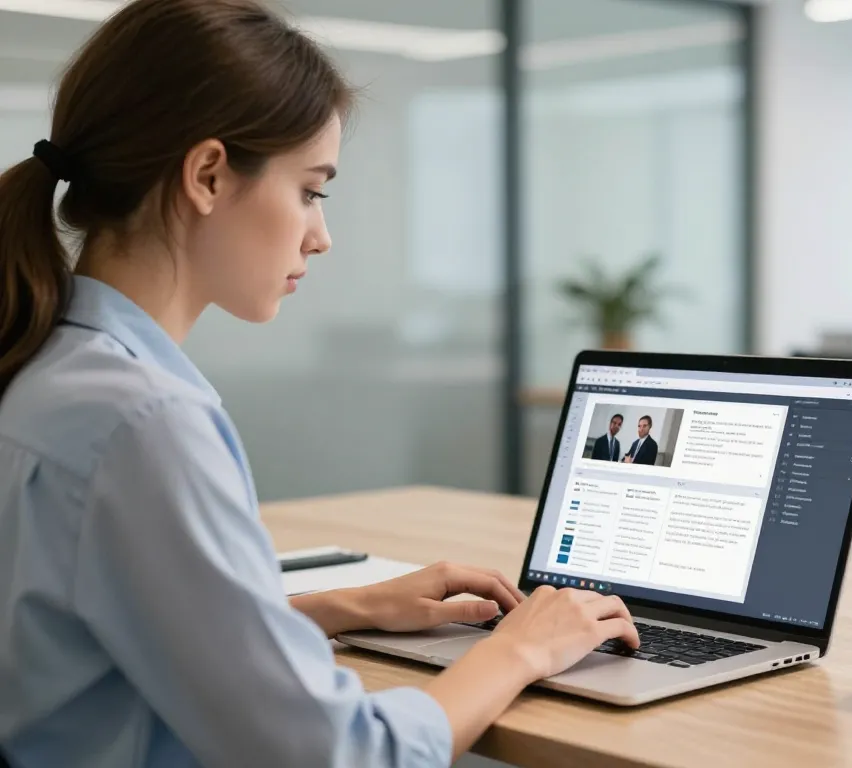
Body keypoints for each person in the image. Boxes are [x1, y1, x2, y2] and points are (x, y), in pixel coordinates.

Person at [0, 2, 640, 766]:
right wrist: (523, 650)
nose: (320, 235)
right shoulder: (142, 421)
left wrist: (348, 606)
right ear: (206, 175)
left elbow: (112, 633)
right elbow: (339, 755)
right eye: (311, 190)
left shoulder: (47, 367)